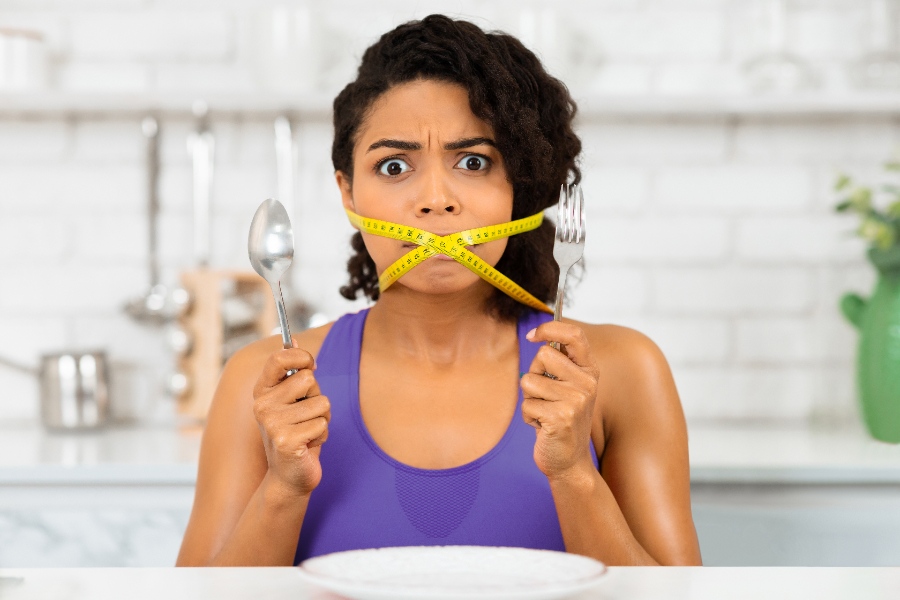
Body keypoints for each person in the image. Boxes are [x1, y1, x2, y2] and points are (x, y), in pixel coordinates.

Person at [176, 14, 702, 567]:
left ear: (516, 191)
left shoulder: (620, 371)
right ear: (349, 195)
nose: (436, 201)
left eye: (473, 162)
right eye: (395, 165)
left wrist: (574, 474)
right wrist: (282, 490)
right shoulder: (266, 383)